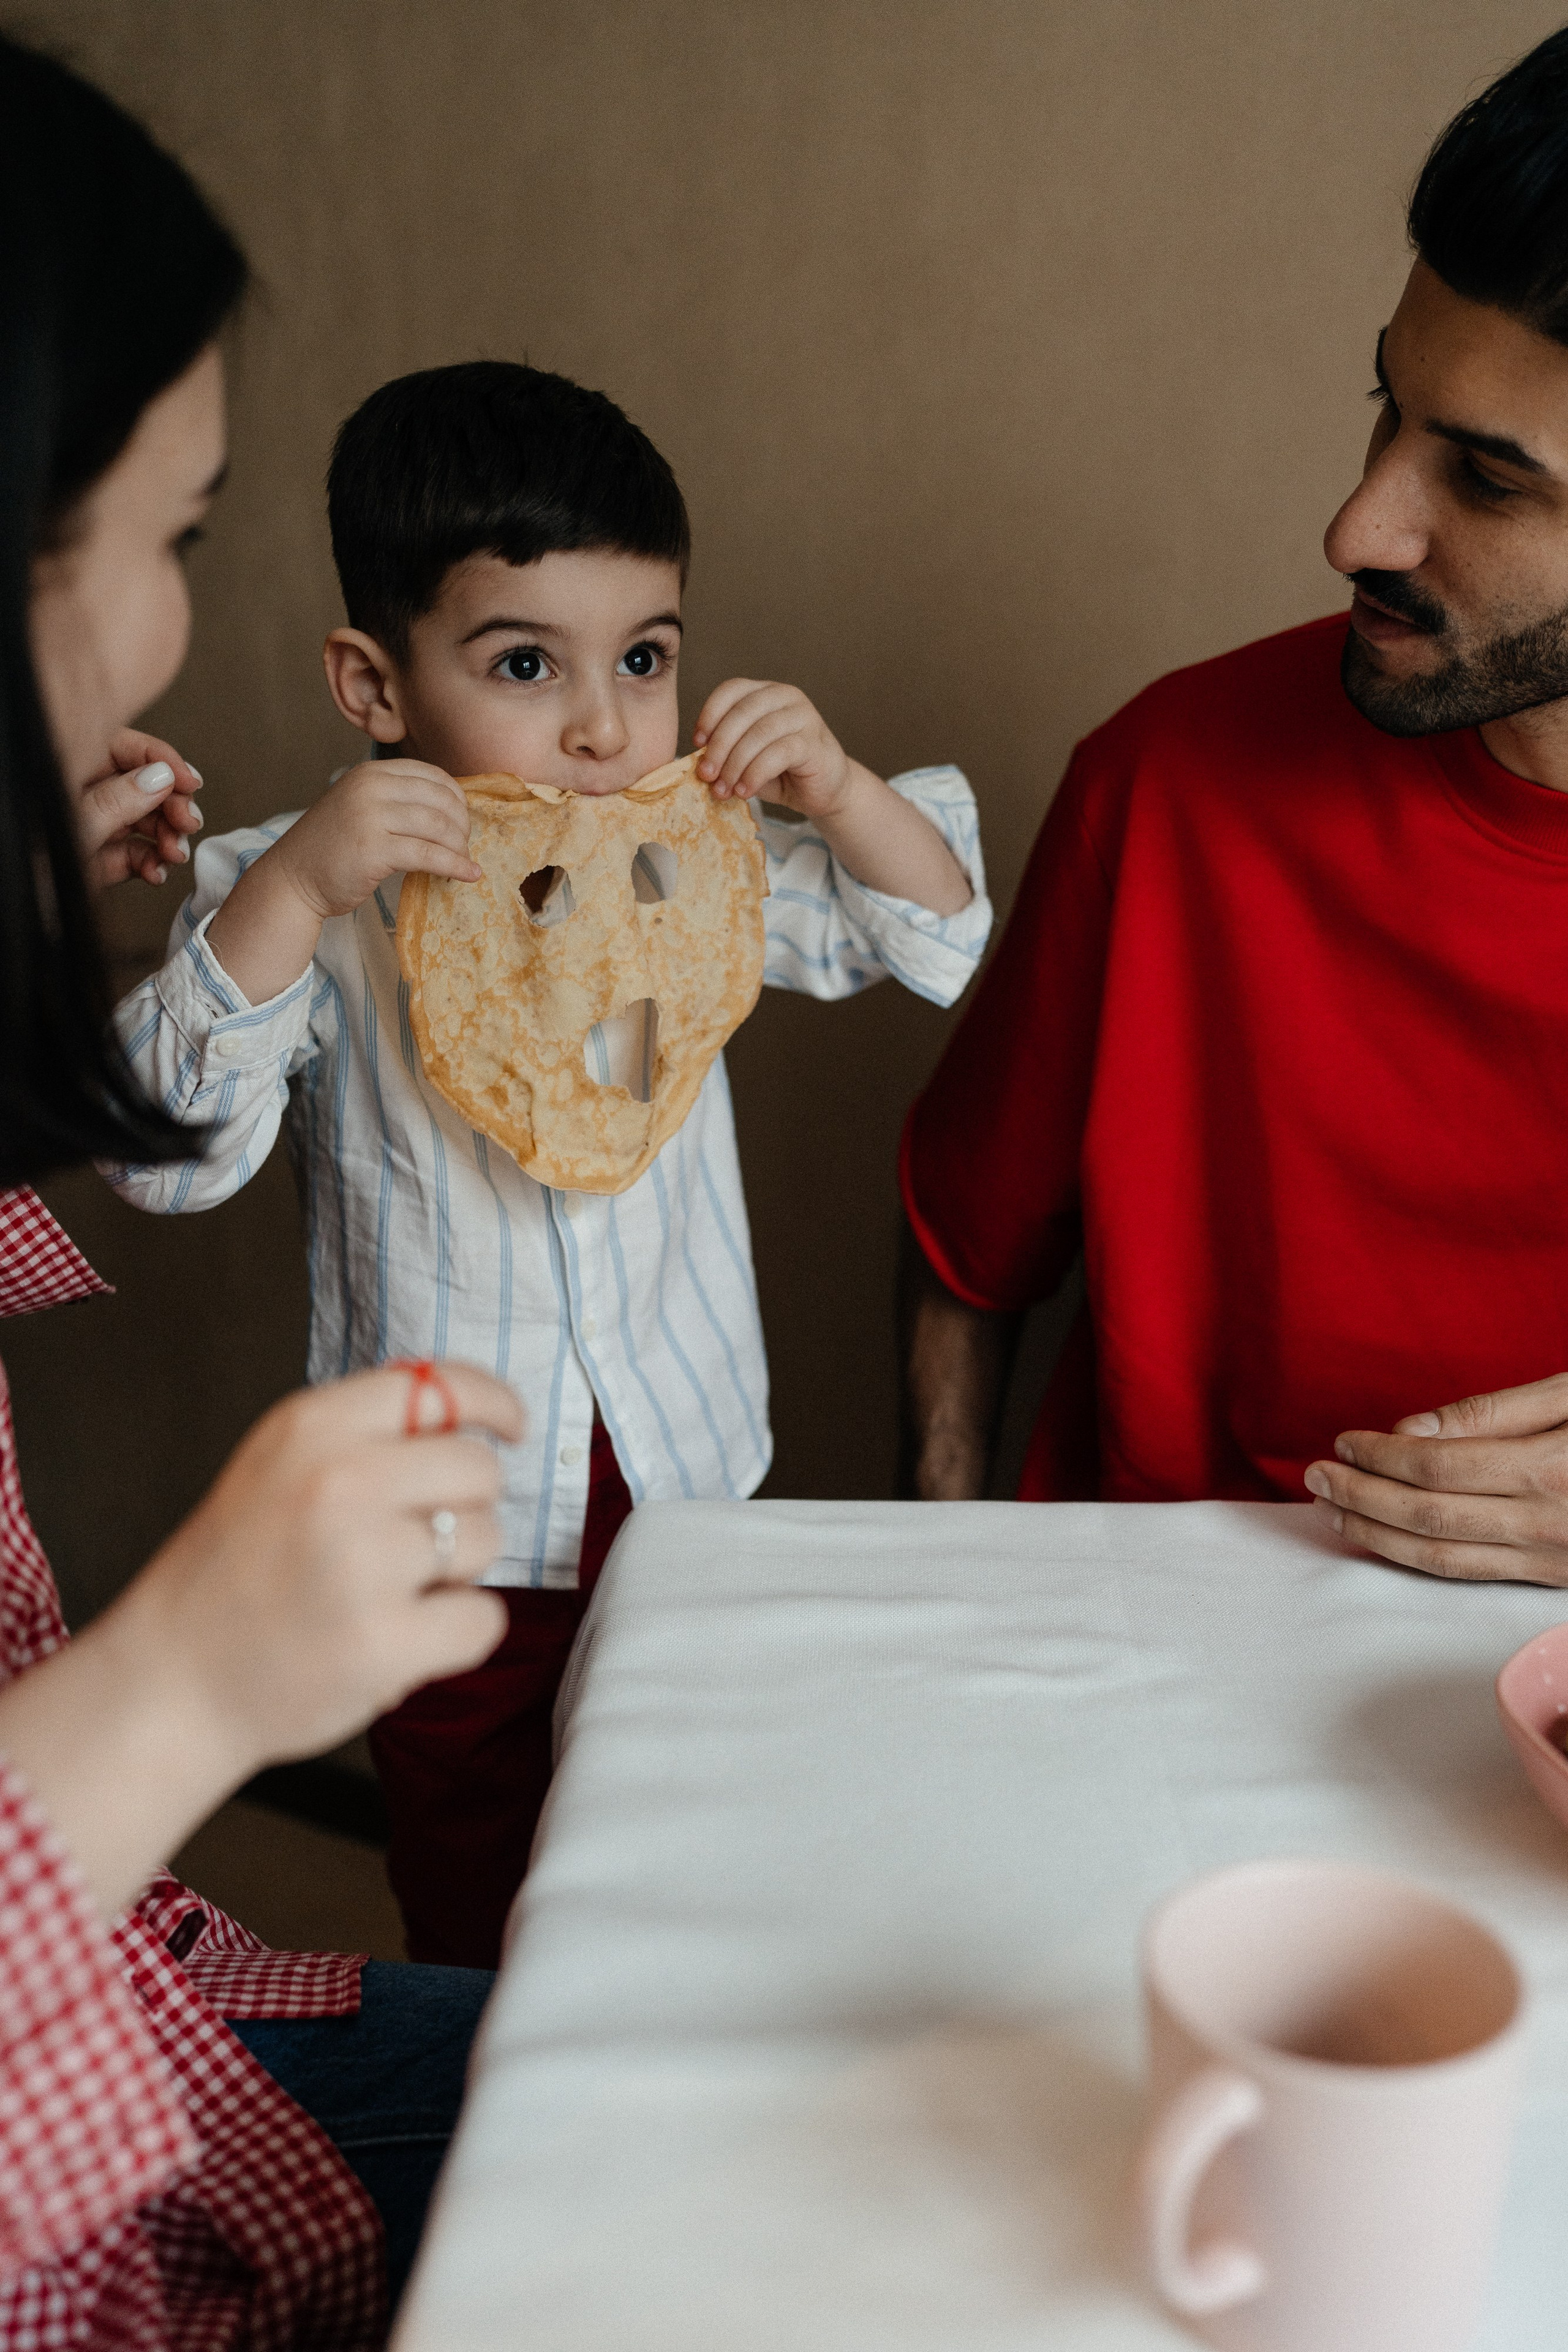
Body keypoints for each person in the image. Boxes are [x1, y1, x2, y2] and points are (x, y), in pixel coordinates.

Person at [106, 358, 994, 1967]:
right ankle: (484, 2060)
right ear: (374, 686)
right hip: (443, 1507)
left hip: (683, 1461)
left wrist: (845, 792)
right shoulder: (298, 892)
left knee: (687, 1803)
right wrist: (295, 897)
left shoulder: (691, 856)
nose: (601, 726)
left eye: (644, 657)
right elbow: (165, 1162)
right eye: (527, 662)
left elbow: (929, 939)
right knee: (467, 1839)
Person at [0, 37, 532, 2343]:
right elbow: (194, 1123)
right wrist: (190, 1683)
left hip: (186, 2035)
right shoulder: (302, 894)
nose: (158, 635)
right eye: (170, 537)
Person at [899, 24, 1568, 1589]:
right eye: (1381, 407)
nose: (1354, 525)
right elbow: (960, 1256)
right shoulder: (1166, 779)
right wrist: (933, 1611)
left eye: (1480, 479)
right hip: (1150, 1673)